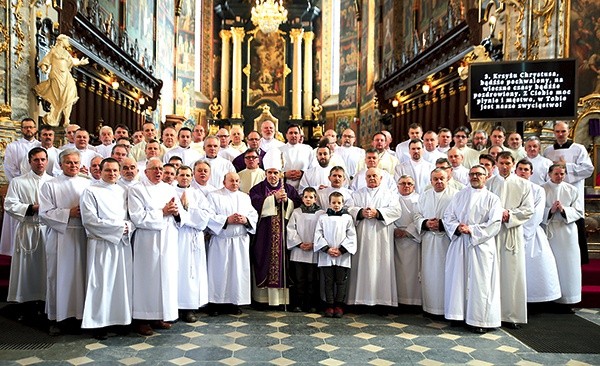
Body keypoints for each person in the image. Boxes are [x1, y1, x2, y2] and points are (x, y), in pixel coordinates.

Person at [444, 165, 502, 333]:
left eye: (479, 174)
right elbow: (448, 216)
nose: (475, 177)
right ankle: (457, 315)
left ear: (486, 176)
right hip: (460, 243)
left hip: (480, 245)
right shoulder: (459, 195)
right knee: (458, 280)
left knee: (480, 282)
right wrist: (457, 226)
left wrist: (473, 230)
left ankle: (479, 319)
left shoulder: (493, 198)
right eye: (472, 174)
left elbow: (495, 223)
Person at [80, 158, 134, 340]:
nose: (111, 174)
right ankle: (98, 323)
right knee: (101, 283)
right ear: (100, 172)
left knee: (121, 283)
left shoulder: (122, 191)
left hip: (121, 244)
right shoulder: (90, 191)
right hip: (101, 243)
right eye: (107, 170)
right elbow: (90, 220)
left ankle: (120, 320)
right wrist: (120, 228)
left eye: (114, 171)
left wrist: (127, 227)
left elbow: (130, 217)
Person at [128, 158, 183, 336]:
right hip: (147, 240)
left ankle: (159, 314)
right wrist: (162, 212)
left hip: (168, 238)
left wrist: (176, 213)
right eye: (154, 169)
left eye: (161, 168)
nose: (159, 172)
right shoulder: (137, 189)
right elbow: (137, 216)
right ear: (145, 172)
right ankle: (142, 318)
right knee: (147, 278)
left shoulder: (169, 188)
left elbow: (180, 212)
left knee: (165, 277)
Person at [39, 149, 91, 335]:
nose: (73, 165)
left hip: (83, 236)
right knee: (59, 276)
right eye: (69, 162)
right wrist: (68, 213)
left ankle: (81, 316)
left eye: (76, 162)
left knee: (82, 276)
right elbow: (44, 214)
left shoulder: (88, 184)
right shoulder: (49, 185)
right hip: (61, 236)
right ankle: (57, 318)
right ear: (60, 165)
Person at [486, 152, 534, 329]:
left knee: (512, 274)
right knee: (492, 273)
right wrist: (496, 214)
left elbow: (529, 210)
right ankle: (492, 314)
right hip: (492, 233)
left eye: (507, 163)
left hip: (512, 234)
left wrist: (510, 215)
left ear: (513, 164)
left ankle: (511, 315)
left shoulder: (523, 184)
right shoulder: (489, 183)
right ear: (496, 164)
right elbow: (483, 207)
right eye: (501, 163)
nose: (504, 166)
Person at [4, 147, 52, 321]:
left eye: (43, 159)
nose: (40, 163)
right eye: (36, 160)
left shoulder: (53, 181)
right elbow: (9, 204)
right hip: (28, 229)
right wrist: (32, 208)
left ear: (47, 161)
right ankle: (26, 305)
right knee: (27, 269)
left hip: (48, 231)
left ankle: (46, 303)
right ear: (29, 161)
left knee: (46, 269)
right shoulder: (18, 182)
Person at [249, 157, 301, 307]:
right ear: (265, 173)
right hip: (265, 234)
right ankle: (262, 299)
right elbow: (254, 204)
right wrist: (273, 199)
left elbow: (297, 205)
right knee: (263, 260)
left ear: (281, 174)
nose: (272, 176)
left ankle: (283, 300)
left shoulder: (289, 189)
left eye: (275, 173)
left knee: (285, 264)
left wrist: (287, 202)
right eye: (270, 172)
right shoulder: (257, 188)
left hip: (284, 233)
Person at [348, 168, 402, 308]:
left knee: (381, 266)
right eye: (369, 176)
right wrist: (360, 212)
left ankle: (382, 302)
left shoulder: (389, 194)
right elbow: (349, 208)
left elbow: (397, 211)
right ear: (365, 179)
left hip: (381, 237)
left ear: (381, 178)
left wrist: (378, 212)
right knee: (362, 265)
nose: (372, 178)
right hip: (362, 237)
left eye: (375, 176)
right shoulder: (357, 194)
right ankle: (359, 301)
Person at [206, 172, 258, 315]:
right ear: (224, 182)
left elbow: (253, 215)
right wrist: (226, 220)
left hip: (239, 241)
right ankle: (215, 304)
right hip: (221, 240)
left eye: (237, 181)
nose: (235, 183)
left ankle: (234, 303)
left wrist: (245, 220)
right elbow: (209, 216)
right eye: (231, 181)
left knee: (237, 273)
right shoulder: (214, 196)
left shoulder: (244, 197)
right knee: (219, 273)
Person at [543, 121, 593, 264]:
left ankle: (578, 259)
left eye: (563, 131)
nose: (560, 134)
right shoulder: (548, 151)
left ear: (569, 131)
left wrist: (567, 167)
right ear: (554, 132)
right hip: (553, 193)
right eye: (557, 131)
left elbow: (588, 169)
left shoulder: (578, 149)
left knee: (573, 222)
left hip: (572, 193)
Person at [514, 160, 561, 306]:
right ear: (515, 171)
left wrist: (523, 233)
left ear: (531, 173)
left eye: (526, 170)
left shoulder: (538, 190)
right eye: (520, 169)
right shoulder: (510, 187)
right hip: (511, 232)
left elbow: (537, 214)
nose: (523, 172)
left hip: (531, 233)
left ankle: (533, 300)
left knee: (534, 267)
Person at [414, 168, 458, 318]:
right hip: (429, 240)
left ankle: (447, 308)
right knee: (429, 274)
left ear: (447, 179)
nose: (439, 182)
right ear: (431, 180)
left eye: (442, 179)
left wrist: (443, 225)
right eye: (435, 179)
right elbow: (417, 214)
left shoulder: (456, 196)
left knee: (446, 274)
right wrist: (425, 223)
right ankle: (430, 308)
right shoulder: (425, 195)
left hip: (447, 241)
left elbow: (459, 216)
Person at [542, 164, 583, 311]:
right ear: (549, 174)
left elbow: (579, 211)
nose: (559, 177)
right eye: (556, 174)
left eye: (562, 174)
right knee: (550, 266)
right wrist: (550, 210)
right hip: (549, 231)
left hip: (567, 232)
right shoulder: (542, 189)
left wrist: (564, 210)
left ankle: (568, 300)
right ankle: (549, 299)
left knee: (568, 266)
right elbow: (536, 212)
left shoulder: (572, 189)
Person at [174, 165, 212, 322]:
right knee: (178, 271)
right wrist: (184, 213)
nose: (185, 177)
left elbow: (205, 216)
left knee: (193, 272)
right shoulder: (170, 192)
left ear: (191, 177)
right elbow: (171, 214)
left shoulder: (198, 194)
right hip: (177, 238)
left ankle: (190, 307)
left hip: (194, 238)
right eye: (182, 174)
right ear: (176, 176)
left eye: (188, 175)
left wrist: (186, 210)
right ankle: (175, 307)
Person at [1, 118, 41, 256]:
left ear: (35, 129)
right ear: (21, 129)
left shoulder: (41, 145)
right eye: (25, 127)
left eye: (31, 127)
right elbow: (9, 167)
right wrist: (22, 181)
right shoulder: (14, 146)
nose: (28, 130)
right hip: (20, 185)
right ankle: (13, 249)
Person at [314, 191, 357, 318]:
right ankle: (329, 305)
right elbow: (318, 234)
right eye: (334, 202)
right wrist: (327, 249)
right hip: (327, 255)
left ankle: (339, 305)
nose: (336, 205)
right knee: (328, 281)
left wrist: (341, 250)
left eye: (339, 202)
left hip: (341, 255)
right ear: (329, 203)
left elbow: (352, 236)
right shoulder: (323, 218)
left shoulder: (347, 218)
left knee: (341, 281)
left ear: (343, 203)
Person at [34, 34, 89, 126]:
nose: (67, 42)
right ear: (61, 41)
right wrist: (44, 67)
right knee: (58, 98)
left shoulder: (66, 53)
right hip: (56, 75)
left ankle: (67, 118)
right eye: (66, 40)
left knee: (69, 96)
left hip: (66, 76)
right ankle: (53, 118)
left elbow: (72, 61)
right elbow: (46, 60)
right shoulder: (54, 51)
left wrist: (80, 62)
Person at [286, 187, 324, 313]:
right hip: (298, 251)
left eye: (311, 197)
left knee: (312, 280)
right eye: (306, 197)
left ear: (315, 199)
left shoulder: (321, 213)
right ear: (302, 198)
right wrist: (299, 243)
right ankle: (297, 304)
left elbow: (322, 230)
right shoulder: (296, 212)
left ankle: (311, 304)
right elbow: (291, 229)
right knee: (299, 279)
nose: (308, 199)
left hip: (314, 251)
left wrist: (314, 244)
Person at [393, 175, 421, 308]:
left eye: (409, 183)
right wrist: (394, 230)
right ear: (397, 186)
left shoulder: (419, 199)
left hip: (413, 240)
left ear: (414, 186)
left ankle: (414, 301)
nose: (406, 186)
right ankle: (398, 300)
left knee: (414, 272)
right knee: (398, 272)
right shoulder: (393, 199)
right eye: (402, 183)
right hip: (396, 239)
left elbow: (420, 217)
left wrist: (408, 231)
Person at [265, 124, 314, 191]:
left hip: (303, 187)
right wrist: (284, 174)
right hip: (284, 187)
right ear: (286, 135)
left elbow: (313, 169)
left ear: (299, 135)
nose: (293, 135)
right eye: (291, 133)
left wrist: (302, 173)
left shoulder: (308, 149)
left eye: (296, 133)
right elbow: (272, 170)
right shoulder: (278, 150)